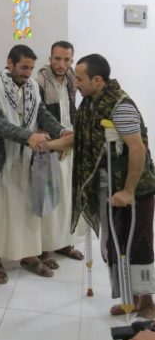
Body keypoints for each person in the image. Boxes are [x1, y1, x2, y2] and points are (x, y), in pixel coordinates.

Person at [48, 54, 155, 319]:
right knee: (113, 245)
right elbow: (79, 139)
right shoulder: (89, 104)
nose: (76, 84)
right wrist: (47, 145)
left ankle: (148, 303)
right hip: (107, 189)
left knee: (138, 245)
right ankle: (131, 298)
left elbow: (138, 148)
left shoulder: (121, 106)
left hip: (135, 191)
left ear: (97, 80)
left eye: (80, 79)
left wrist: (128, 191)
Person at [0, 44, 65, 283]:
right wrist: (29, 137)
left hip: (25, 160)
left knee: (26, 210)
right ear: (10, 63)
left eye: (31, 68)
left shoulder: (33, 86)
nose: (28, 73)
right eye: (24, 67)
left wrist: (62, 131)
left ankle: (28, 255)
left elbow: (42, 114)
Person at [36, 41, 83, 270]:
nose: (61, 64)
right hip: (50, 144)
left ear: (71, 61)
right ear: (50, 58)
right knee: (49, 198)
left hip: (69, 144)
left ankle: (64, 242)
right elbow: (39, 115)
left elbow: (71, 111)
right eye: (57, 59)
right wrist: (56, 141)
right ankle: (44, 248)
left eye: (66, 59)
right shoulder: (40, 82)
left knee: (67, 198)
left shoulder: (73, 80)